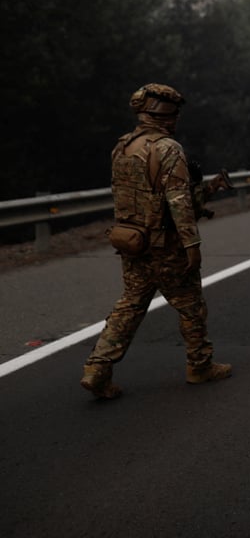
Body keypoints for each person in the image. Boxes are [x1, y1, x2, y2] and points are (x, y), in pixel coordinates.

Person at [81, 83, 232, 399]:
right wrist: (192, 244)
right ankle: (200, 365)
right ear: (167, 115)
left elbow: (136, 196)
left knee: (129, 307)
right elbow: (177, 201)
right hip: (167, 247)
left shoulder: (122, 147)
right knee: (191, 306)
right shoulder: (168, 149)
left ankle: (97, 369)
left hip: (132, 242)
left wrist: (206, 190)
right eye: (175, 113)